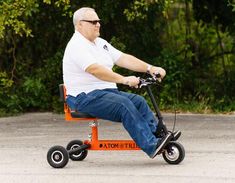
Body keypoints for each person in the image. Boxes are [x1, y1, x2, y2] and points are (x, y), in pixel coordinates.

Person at [63, 7, 172, 158]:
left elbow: (123, 58)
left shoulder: (100, 43)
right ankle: (151, 145)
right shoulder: (77, 46)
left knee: (139, 101)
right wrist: (124, 79)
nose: (98, 24)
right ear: (79, 24)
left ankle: (160, 138)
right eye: (93, 22)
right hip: (83, 97)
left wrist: (150, 68)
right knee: (123, 105)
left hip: (105, 93)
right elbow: (95, 69)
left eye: (98, 21)